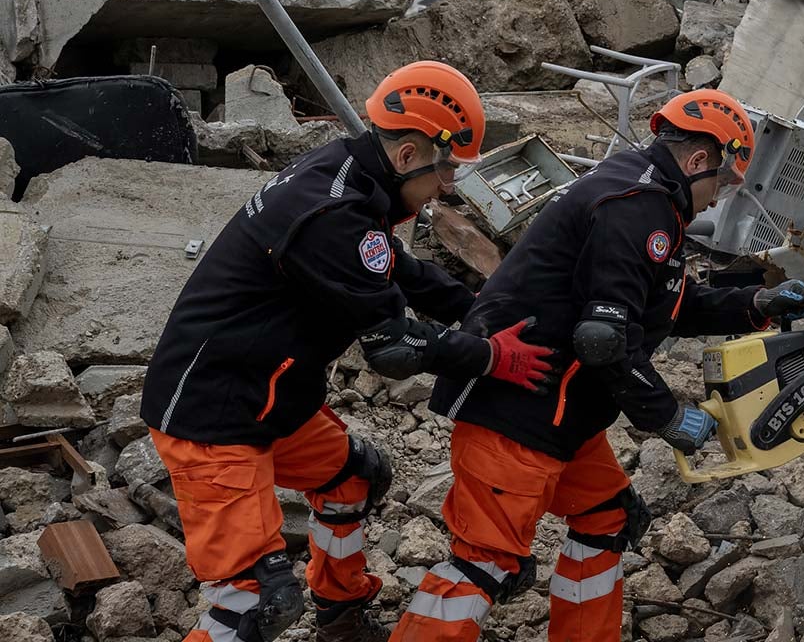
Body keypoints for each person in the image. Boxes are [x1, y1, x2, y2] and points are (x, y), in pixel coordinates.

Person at [139, 62, 554, 642]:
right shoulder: (332, 213)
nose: (449, 186)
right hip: (216, 416)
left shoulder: (352, 179)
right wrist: (491, 356)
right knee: (252, 604)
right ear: (409, 155)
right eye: (445, 170)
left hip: (270, 398)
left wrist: (476, 305)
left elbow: (395, 267)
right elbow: (395, 346)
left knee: (352, 478)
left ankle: (341, 616)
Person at [401, 89, 804, 642]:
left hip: (560, 411)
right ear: (697, 162)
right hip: (518, 411)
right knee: (487, 562)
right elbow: (603, 338)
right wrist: (665, 415)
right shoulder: (635, 205)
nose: (719, 200)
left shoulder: (646, 198)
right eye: (721, 183)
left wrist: (754, 306)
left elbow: (665, 301)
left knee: (608, 517)